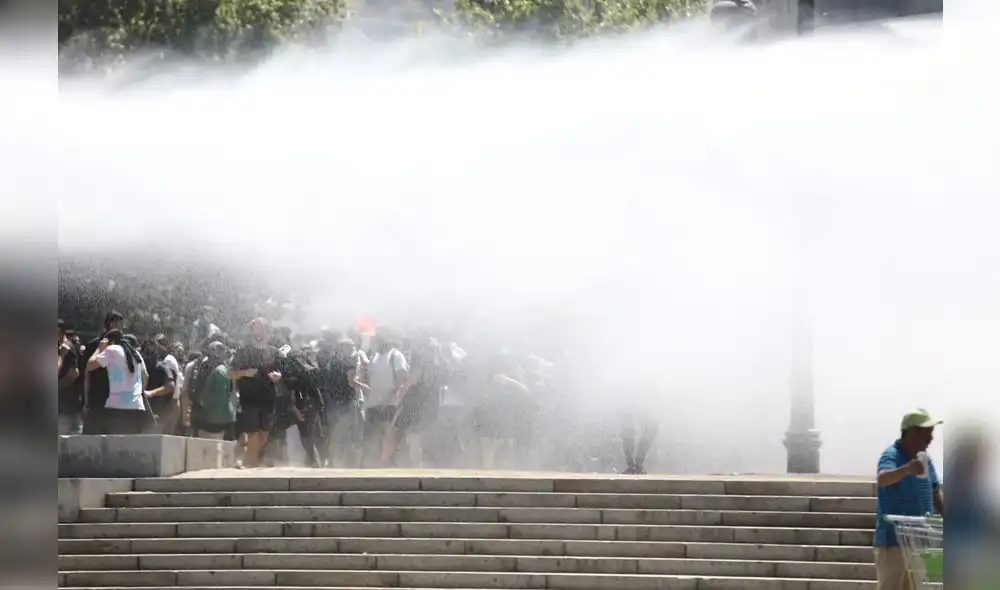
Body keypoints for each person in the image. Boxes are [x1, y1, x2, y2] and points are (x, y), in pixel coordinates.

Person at [874, 408, 945, 590]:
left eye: (931, 434)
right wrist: (906, 469)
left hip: (919, 540)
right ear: (911, 433)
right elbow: (882, 479)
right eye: (925, 434)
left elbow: (935, 490)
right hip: (894, 542)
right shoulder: (892, 454)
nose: (930, 438)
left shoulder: (925, 459)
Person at [228, 318, 281, 468]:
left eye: (262, 328)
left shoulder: (274, 352)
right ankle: (250, 464)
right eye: (256, 328)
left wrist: (279, 376)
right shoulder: (243, 351)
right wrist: (245, 372)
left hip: (268, 398)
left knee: (264, 434)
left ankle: (246, 459)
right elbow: (230, 374)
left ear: (268, 331)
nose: (259, 332)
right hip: (249, 397)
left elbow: (283, 372)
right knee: (252, 433)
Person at [85, 329, 149, 434]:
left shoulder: (111, 350)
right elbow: (145, 376)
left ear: (109, 341)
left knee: (112, 447)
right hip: (137, 407)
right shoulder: (135, 352)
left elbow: (90, 365)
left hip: (116, 408)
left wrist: (99, 349)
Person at [365, 333, 410, 466]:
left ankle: (390, 465)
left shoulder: (395, 356)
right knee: (373, 438)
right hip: (373, 404)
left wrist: (390, 395)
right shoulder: (374, 356)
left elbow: (403, 377)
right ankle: (377, 465)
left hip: (389, 404)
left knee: (388, 437)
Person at [323, 337, 367, 467]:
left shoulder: (331, 361)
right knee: (351, 434)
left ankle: (332, 462)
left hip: (332, 402)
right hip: (347, 402)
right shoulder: (349, 361)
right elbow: (351, 382)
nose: (353, 350)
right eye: (352, 347)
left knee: (335, 435)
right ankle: (347, 465)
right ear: (346, 348)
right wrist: (367, 388)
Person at [79, 311, 125, 433]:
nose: (121, 327)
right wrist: (86, 401)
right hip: (98, 397)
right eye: (119, 323)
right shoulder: (94, 345)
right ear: (111, 324)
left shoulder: (124, 345)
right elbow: (87, 373)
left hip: (116, 398)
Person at [188, 341, 236, 440]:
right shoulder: (207, 368)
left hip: (215, 419)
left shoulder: (218, 370)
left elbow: (222, 398)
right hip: (211, 419)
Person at [57, 319, 83, 434]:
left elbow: (74, 373)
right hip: (68, 403)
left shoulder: (66, 348)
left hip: (66, 402)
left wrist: (58, 385)